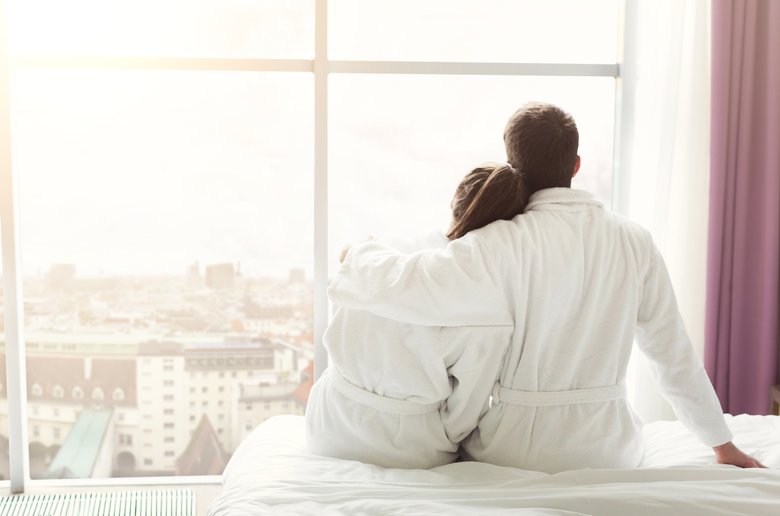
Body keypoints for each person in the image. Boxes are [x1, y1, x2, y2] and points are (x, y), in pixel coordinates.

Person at [329, 102, 764, 472]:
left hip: (513, 452)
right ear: (576, 165)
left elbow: (410, 285)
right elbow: (673, 355)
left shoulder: (497, 243)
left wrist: (358, 255)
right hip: (610, 450)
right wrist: (721, 444)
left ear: (511, 164)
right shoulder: (635, 241)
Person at [305, 164, 527, 468]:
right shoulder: (489, 308)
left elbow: (343, 309)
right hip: (408, 447)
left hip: (328, 422)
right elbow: (465, 412)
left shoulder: (381, 250)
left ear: (456, 196)